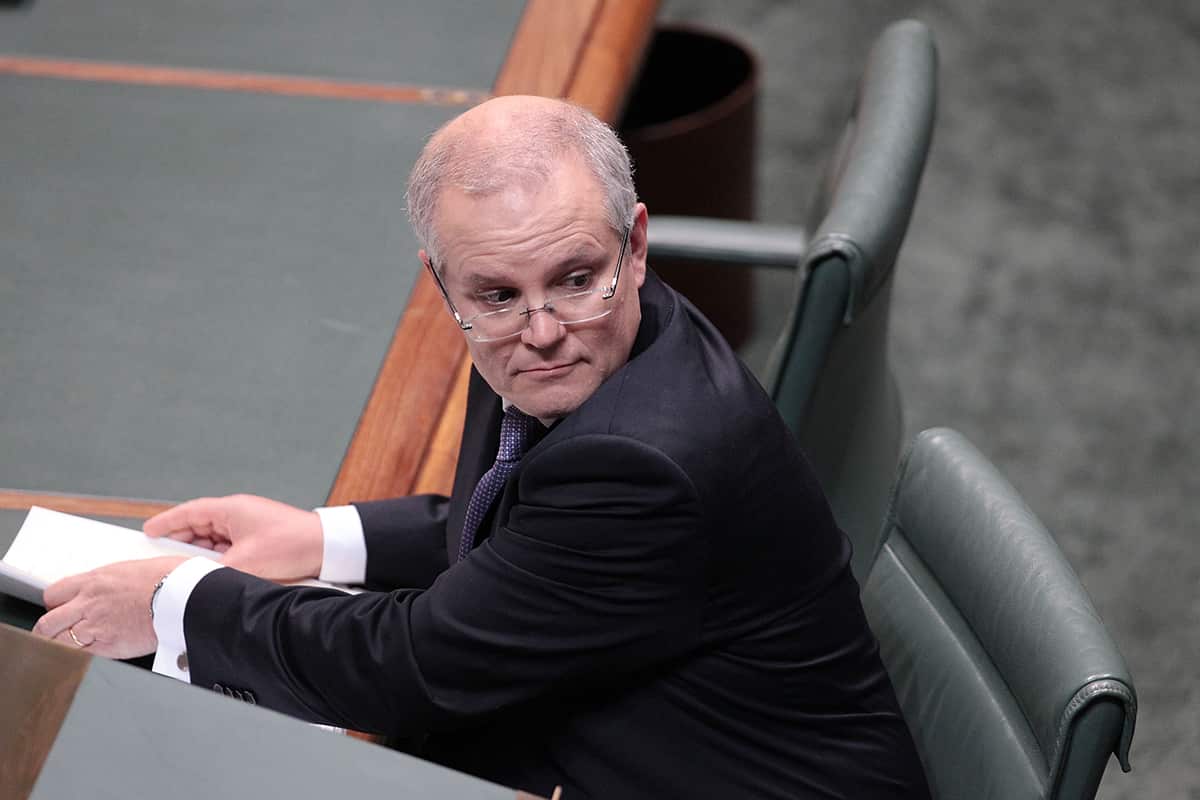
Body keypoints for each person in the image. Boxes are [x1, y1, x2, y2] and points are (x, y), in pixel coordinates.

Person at [33, 95, 930, 799]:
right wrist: (324, 538)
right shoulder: (605, 321)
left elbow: (416, 667)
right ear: (444, 280)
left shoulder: (645, 458)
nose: (541, 329)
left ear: (637, 243)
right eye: (497, 295)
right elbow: (533, 533)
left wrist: (176, 602)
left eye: (574, 279)